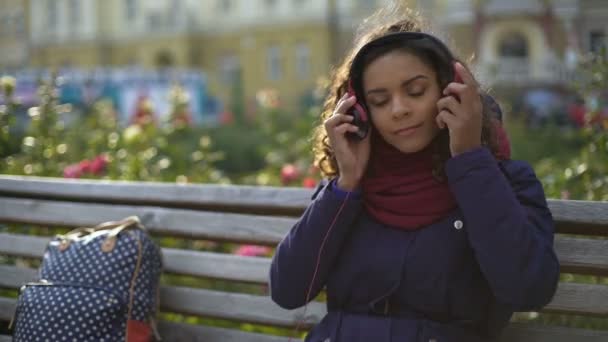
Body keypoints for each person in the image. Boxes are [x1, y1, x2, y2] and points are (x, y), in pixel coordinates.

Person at [269, 4, 559, 342]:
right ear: (359, 112)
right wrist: (346, 184)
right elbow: (287, 291)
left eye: (416, 91)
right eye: (379, 100)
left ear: (449, 90)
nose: (399, 109)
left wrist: (469, 160)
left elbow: (529, 289)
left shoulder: (503, 181)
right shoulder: (347, 192)